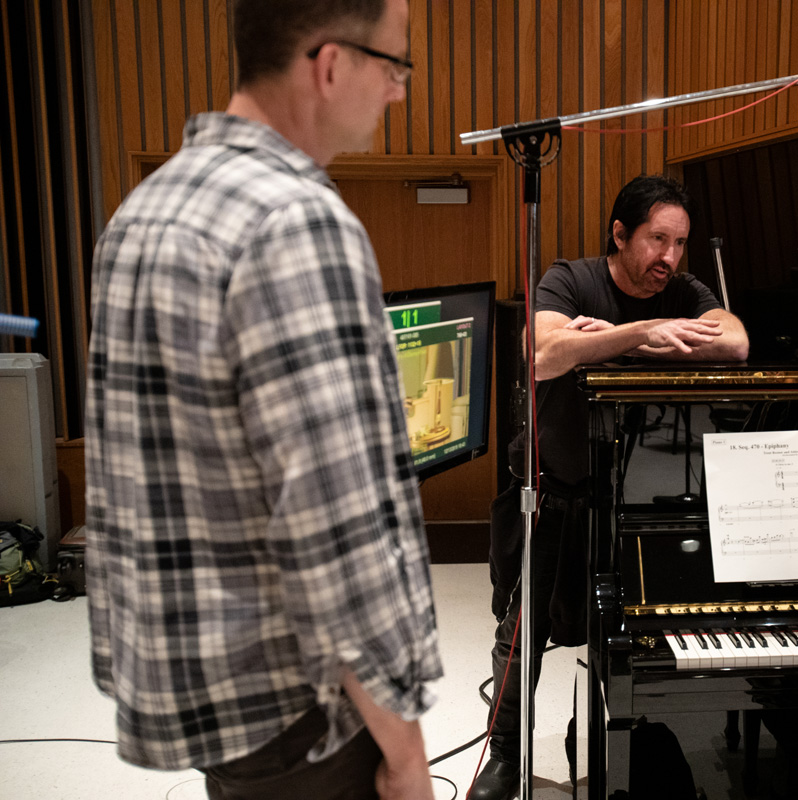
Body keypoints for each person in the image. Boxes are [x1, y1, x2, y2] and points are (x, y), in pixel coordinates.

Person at [85, 2, 442, 798]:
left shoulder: (141, 213)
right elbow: (336, 526)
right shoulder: (297, 223)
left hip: (207, 698)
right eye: (394, 65)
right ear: (328, 63)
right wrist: (407, 750)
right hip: (301, 706)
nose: (399, 92)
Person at [470, 174, 750, 800]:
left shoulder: (684, 290)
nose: (670, 258)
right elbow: (539, 354)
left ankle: (605, 735)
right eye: (657, 240)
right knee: (523, 633)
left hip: (632, 504)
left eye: (680, 243)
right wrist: (641, 334)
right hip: (551, 489)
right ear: (619, 235)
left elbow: (734, 343)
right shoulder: (569, 279)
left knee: (623, 634)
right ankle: (505, 753)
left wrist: (606, 344)